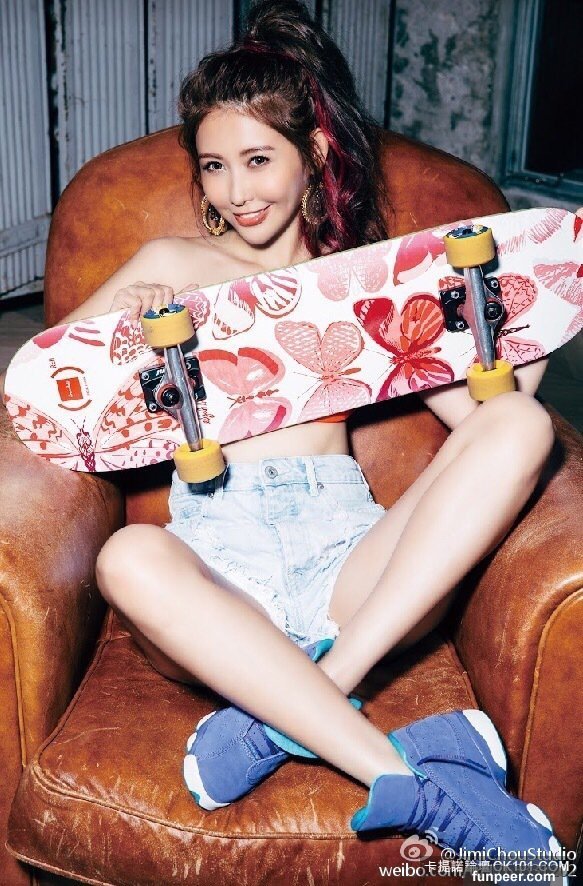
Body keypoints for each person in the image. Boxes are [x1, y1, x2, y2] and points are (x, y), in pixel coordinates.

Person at [59, 0, 562, 864]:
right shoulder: (170, 267)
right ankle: (415, 781)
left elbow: (486, 426)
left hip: (350, 571)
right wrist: (120, 333)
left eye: (258, 160)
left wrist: (526, 324)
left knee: (521, 421)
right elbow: (44, 402)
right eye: (214, 166)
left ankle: (309, 699)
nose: (235, 190)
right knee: (126, 557)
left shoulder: (361, 282)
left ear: (315, 153)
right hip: (221, 568)